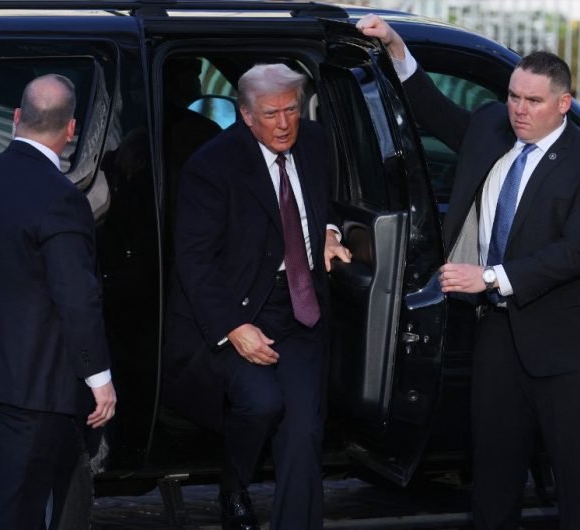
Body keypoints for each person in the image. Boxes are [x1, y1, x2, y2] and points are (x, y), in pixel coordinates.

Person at [357, 14, 580, 529]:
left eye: (533, 101)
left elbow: (577, 252)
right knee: (494, 470)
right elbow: (432, 111)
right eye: (514, 97)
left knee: (577, 479)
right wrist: (394, 46)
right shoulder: (491, 126)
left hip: (566, 343)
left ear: (563, 104)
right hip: (498, 333)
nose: (519, 110)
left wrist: (490, 278)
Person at [161, 63, 351, 530]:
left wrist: (326, 232)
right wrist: (233, 326)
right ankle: (233, 483)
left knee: (304, 432)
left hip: (302, 306)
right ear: (245, 115)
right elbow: (194, 260)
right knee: (264, 402)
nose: (284, 124)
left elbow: (322, 201)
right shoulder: (212, 166)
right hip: (243, 306)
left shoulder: (314, 141)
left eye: (291, 110)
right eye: (270, 114)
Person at [0, 74, 116, 530]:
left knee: (17, 497)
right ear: (71, 129)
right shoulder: (61, 198)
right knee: (17, 509)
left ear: (17, 118)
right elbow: (77, 297)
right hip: (34, 388)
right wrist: (99, 379)